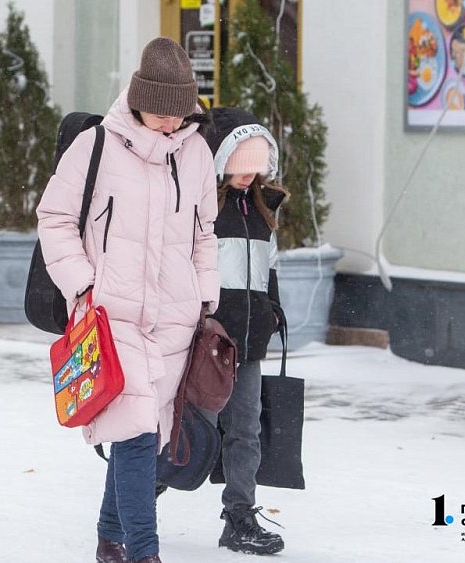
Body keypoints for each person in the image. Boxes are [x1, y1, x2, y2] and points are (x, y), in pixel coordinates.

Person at [37, 37, 220, 563]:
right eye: (160, 112)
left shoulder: (198, 153)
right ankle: (144, 552)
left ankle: (108, 536)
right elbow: (54, 218)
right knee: (138, 429)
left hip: (175, 314)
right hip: (109, 312)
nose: (169, 123)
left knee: (142, 431)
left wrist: (205, 293)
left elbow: (204, 233)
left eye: (178, 113)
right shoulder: (95, 145)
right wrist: (81, 283)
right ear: (138, 99)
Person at [204, 108, 289, 555]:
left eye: (254, 165)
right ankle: (138, 500)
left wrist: (273, 310)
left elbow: (267, 271)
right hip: (206, 342)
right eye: (239, 164)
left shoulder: (262, 211)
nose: (247, 174)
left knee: (245, 430)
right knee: (186, 428)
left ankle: (239, 516)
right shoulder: (204, 210)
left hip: (250, 344)